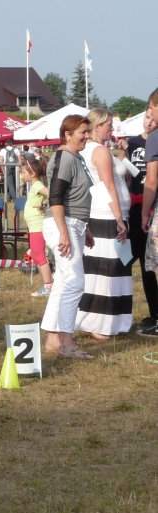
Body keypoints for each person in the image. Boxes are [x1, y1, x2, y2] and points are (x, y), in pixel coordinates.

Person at [41, 115, 94, 358]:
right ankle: (66, 341)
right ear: (67, 134)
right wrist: (64, 231)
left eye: (87, 131)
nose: (87, 136)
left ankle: (54, 339)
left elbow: (77, 196)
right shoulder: (64, 158)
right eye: (83, 132)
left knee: (63, 282)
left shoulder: (76, 157)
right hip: (64, 224)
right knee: (74, 282)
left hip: (74, 224)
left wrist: (85, 228)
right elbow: (56, 197)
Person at [76, 109, 131, 339]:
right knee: (107, 269)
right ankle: (100, 321)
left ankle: (107, 318)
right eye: (108, 125)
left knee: (108, 268)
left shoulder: (94, 149)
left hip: (104, 212)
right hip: (107, 214)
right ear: (97, 126)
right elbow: (108, 186)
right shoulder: (99, 151)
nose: (111, 128)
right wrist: (118, 218)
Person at [127, 110, 158, 335]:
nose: (150, 121)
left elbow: (152, 180)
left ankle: (155, 312)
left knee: (151, 265)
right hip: (135, 207)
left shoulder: (155, 141)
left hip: (150, 206)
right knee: (136, 261)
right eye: (147, 117)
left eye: (153, 118)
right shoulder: (133, 143)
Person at [21, 155, 53, 297]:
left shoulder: (37, 185)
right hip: (34, 227)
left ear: (32, 173)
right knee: (36, 254)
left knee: (39, 255)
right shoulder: (35, 185)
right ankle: (49, 283)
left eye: (24, 172)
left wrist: (43, 204)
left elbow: (51, 194)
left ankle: (48, 286)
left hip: (37, 227)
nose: (22, 175)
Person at [142, 89, 158, 305]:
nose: (151, 114)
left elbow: (152, 180)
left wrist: (145, 213)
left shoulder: (154, 138)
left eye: (151, 109)